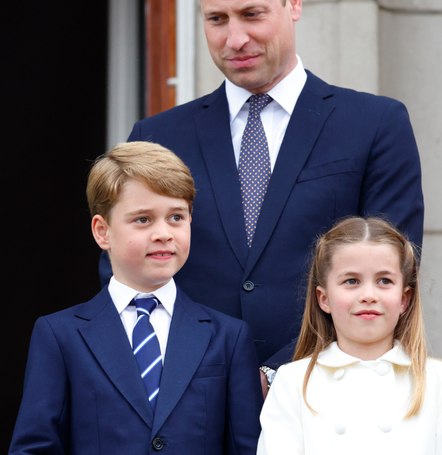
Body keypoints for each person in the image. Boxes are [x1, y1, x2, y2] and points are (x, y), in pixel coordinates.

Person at [100, 0, 424, 393]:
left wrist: (280, 372)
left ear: (293, 6)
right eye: (217, 19)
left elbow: (394, 267)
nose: (235, 39)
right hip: (189, 399)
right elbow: (124, 274)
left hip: (331, 391)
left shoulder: (374, 124)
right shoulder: (159, 137)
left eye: (252, 14)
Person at [10, 142, 263, 454]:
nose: (164, 233)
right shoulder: (59, 335)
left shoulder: (229, 337)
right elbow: (36, 447)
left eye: (176, 217)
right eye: (143, 219)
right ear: (102, 232)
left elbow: (249, 448)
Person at [256, 217, 442, 454]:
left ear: (404, 299)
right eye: (351, 281)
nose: (368, 295)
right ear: (324, 299)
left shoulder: (438, 380)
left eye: (384, 281)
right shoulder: (293, 382)